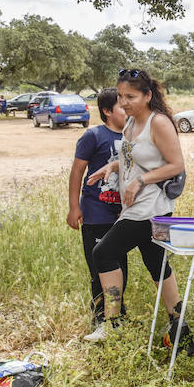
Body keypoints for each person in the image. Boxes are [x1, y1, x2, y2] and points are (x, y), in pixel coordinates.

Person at [86, 69, 194, 355]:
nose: (123, 102)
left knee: (103, 253)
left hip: (152, 209)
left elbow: (176, 165)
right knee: (156, 262)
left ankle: (113, 322)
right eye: (120, 96)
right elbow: (130, 157)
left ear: (148, 95)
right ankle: (180, 328)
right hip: (136, 206)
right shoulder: (131, 122)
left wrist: (140, 180)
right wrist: (111, 167)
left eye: (130, 97)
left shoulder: (158, 123)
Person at [66, 88, 129, 339]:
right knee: (99, 269)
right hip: (96, 213)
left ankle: (119, 316)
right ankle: (102, 318)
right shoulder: (93, 136)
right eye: (121, 106)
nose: (127, 110)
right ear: (107, 111)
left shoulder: (131, 136)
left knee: (121, 268)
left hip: (122, 215)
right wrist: (74, 206)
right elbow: (76, 172)